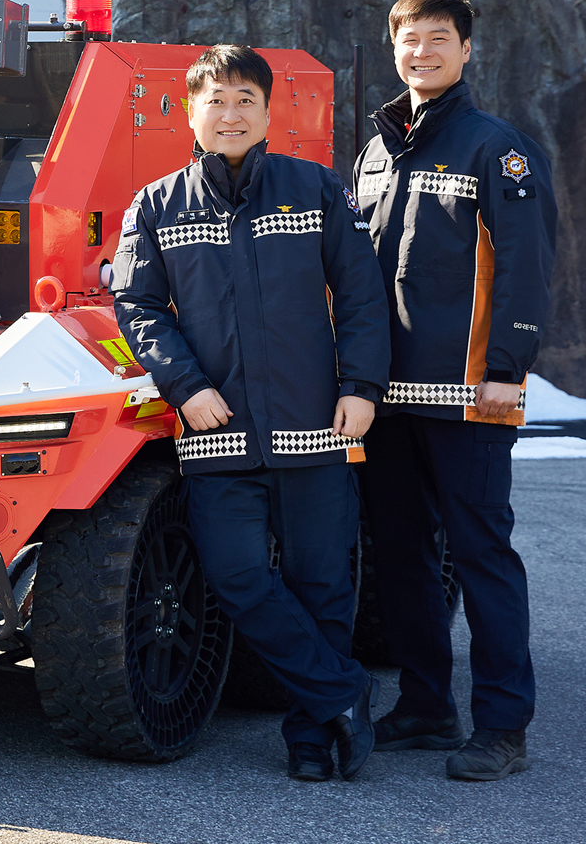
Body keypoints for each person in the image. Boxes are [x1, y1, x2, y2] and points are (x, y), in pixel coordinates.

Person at [114, 44, 391, 781]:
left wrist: (361, 387)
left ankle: (311, 738)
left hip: (314, 428)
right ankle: (342, 692)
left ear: (269, 113)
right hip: (218, 432)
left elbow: (362, 294)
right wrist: (184, 384)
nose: (229, 115)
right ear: (189, 113)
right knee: (237, 577)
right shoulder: (157, 205)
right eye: (216, 101)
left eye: (245, 101)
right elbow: (136, 306)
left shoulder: (316, 190)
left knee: (323, 585)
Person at [353, 0, 557, 781]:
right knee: (400, 556)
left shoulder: (494, 147)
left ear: (466, 50)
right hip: (384, 396)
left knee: (482, 556)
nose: (423, 52)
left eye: (440, 38)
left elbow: (527, 268)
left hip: (471, 394)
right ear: (393, 47)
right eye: (410, 38)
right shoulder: (376, 150)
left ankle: (503, 727)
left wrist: (508, 370)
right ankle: (427, 706)